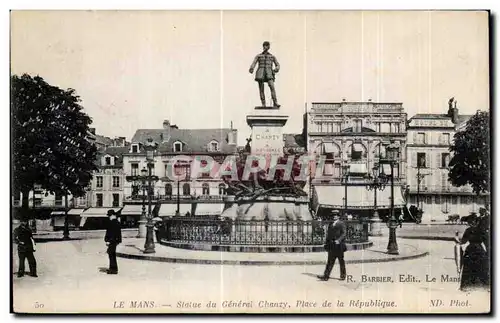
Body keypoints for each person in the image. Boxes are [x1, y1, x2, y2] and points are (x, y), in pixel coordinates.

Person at [455, 213, 489, 291]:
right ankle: (484, 285)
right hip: (480, 250)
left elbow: (463, 241)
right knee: (482, 268)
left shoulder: (468, 230)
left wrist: (456, 237)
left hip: (470, 250)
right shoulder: (482, 230)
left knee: (468, 267)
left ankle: (467, 286)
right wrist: (487, 253)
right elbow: (487, 242)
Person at [249, 41, 281, 108]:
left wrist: (276, 69)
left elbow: (277, 65)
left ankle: (275, 103)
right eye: (264, 45)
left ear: (269, 47)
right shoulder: (259, 56)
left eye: (266, 45)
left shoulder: (272, 57)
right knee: (261, 89)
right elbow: (254, 62)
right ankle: (263, 104)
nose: (265, 47)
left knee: (272, 87)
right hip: (261, 73)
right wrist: (251, 68)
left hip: (269, 73)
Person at [317, 210, 347, 281]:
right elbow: (329, 235)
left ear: (338, 216)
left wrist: (338, 240)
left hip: (339, 246)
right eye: (333, 215)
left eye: (336, 215)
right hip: (332, 245)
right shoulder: (331, 224)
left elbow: (344, 233)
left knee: (341, 261)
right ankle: (326, 276)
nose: (334, 216)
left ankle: (343, 275)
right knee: (330, 261)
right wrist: (326, 243)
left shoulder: (341, 223)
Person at [104, 210, 122, 275]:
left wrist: (108, 240)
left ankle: (113, 269)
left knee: (111, 254)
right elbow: (118, 233)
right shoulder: (117, 222)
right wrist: (118, 240)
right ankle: (114, 268)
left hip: (112, 241)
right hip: (115, 241)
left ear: (112, 215)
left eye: (109, 216)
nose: (109, 217)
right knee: (112, 254)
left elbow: (110, 233)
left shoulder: (111, 222)